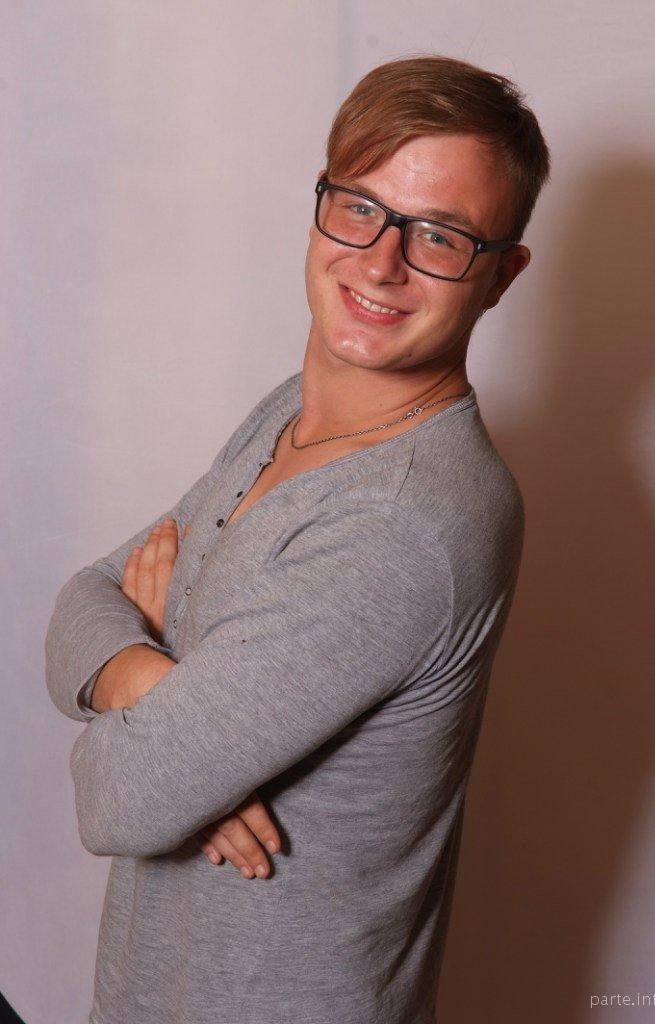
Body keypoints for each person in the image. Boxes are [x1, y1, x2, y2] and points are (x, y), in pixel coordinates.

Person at [45, 54, 550, 1024]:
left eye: (438, 235)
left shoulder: (407, 519)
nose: (380, 262)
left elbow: (118, 799)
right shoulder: (299, 414)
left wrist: (168, 753)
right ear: (321, 205)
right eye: (360, 207)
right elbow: (81, 596)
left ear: (501, 273)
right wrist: (150, 685)